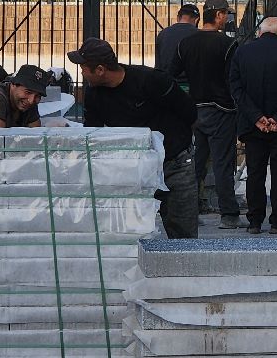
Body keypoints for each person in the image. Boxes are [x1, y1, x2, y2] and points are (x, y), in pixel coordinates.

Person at [68, 37, 198, 239]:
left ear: (100, 69)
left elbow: (188, 111)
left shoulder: (150, 80)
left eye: (84, 68)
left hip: (174, 163)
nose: (82, 73)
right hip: (132, 169)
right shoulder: (94, 95)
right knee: (131, 232)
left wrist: (175, 144)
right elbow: (92, 133)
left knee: (183, 234)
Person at [227, 16, 277, 234]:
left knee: (255, 173)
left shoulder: (242, 53)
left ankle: (254, 221)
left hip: (253, 127)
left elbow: (236, 89)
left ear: (259, 33)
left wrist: (256, 117)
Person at [171, 0, 240, 228]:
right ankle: (229, 215)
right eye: (225, 14)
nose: (226, 19)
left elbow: (171, 74)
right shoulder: (228, 44)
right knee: (222, 162)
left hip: (195, 109)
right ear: (219, 15)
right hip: (222, 110)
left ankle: (188, 212)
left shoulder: (186, 43)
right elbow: (234, 80)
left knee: (195, 163)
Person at [154, 4, 200, 83]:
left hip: (167, 83)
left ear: (178, 17)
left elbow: (158, 65)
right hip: (191, 84)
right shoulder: (199, 35)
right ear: (196, 20)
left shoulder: (163, 33)